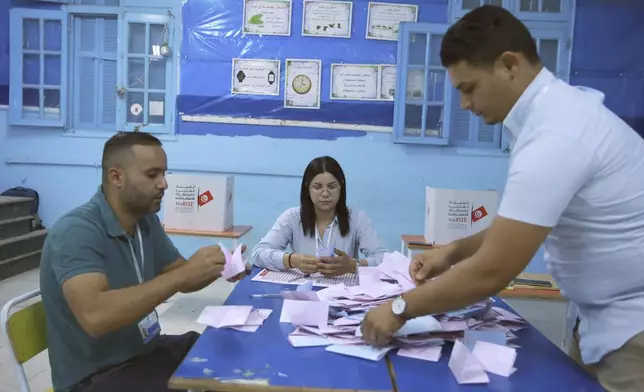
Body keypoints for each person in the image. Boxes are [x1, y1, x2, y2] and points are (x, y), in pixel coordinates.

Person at [360, 5, 644, 392]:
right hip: (603, 323)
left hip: (634, 333)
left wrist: (398, 309)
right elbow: (523, 222)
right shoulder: (553, 115)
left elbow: (493, 271)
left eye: (468, 87)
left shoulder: (557, 135)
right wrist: (453, 251)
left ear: (509, 65)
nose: (463, 104)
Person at [39, 132, 249, 392]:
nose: (163, 184)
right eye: (152, 175)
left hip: (143, 352)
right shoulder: (76, 232)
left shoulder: (144, 221)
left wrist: (220, 267)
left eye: (164, 174)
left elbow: (180, 274)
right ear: (116, 177)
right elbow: (96, 316)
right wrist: (182, 276)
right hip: (96, 377)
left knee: (222, 350)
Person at [251, 156, 387, 276]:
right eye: (317, 187)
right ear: (307, 188)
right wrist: (291, 260)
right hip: (304, 293)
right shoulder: (292, 217)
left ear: (341, 186)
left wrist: (353, 265)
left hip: (345, 293)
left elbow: (384, 258)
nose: (325, 193)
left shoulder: (358, 219)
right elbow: (258, 253)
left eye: (332, 187)